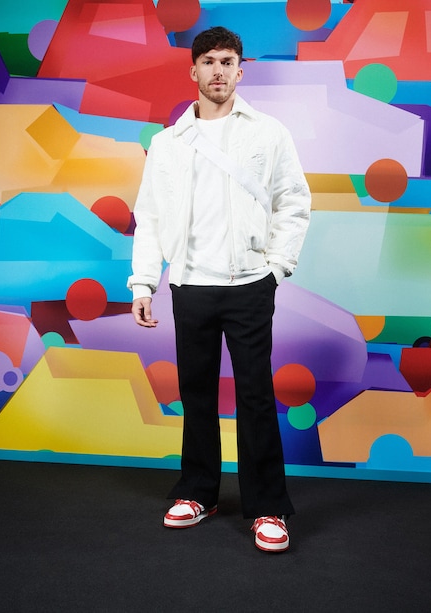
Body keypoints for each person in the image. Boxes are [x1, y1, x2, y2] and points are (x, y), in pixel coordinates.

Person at [128, 26, 311, 553]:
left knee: (255, 395)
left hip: (249, 284)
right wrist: (143, 283)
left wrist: (277, 268)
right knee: (197, 393)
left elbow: (294, 201)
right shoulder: (167, 143)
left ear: (240, 70)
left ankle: (268, 507)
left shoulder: (268, 133)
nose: (218, 71)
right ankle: (197, 492)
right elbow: (150, 217)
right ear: (193, 70)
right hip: (191, 285)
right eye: (208, 61)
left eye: (227, 61)